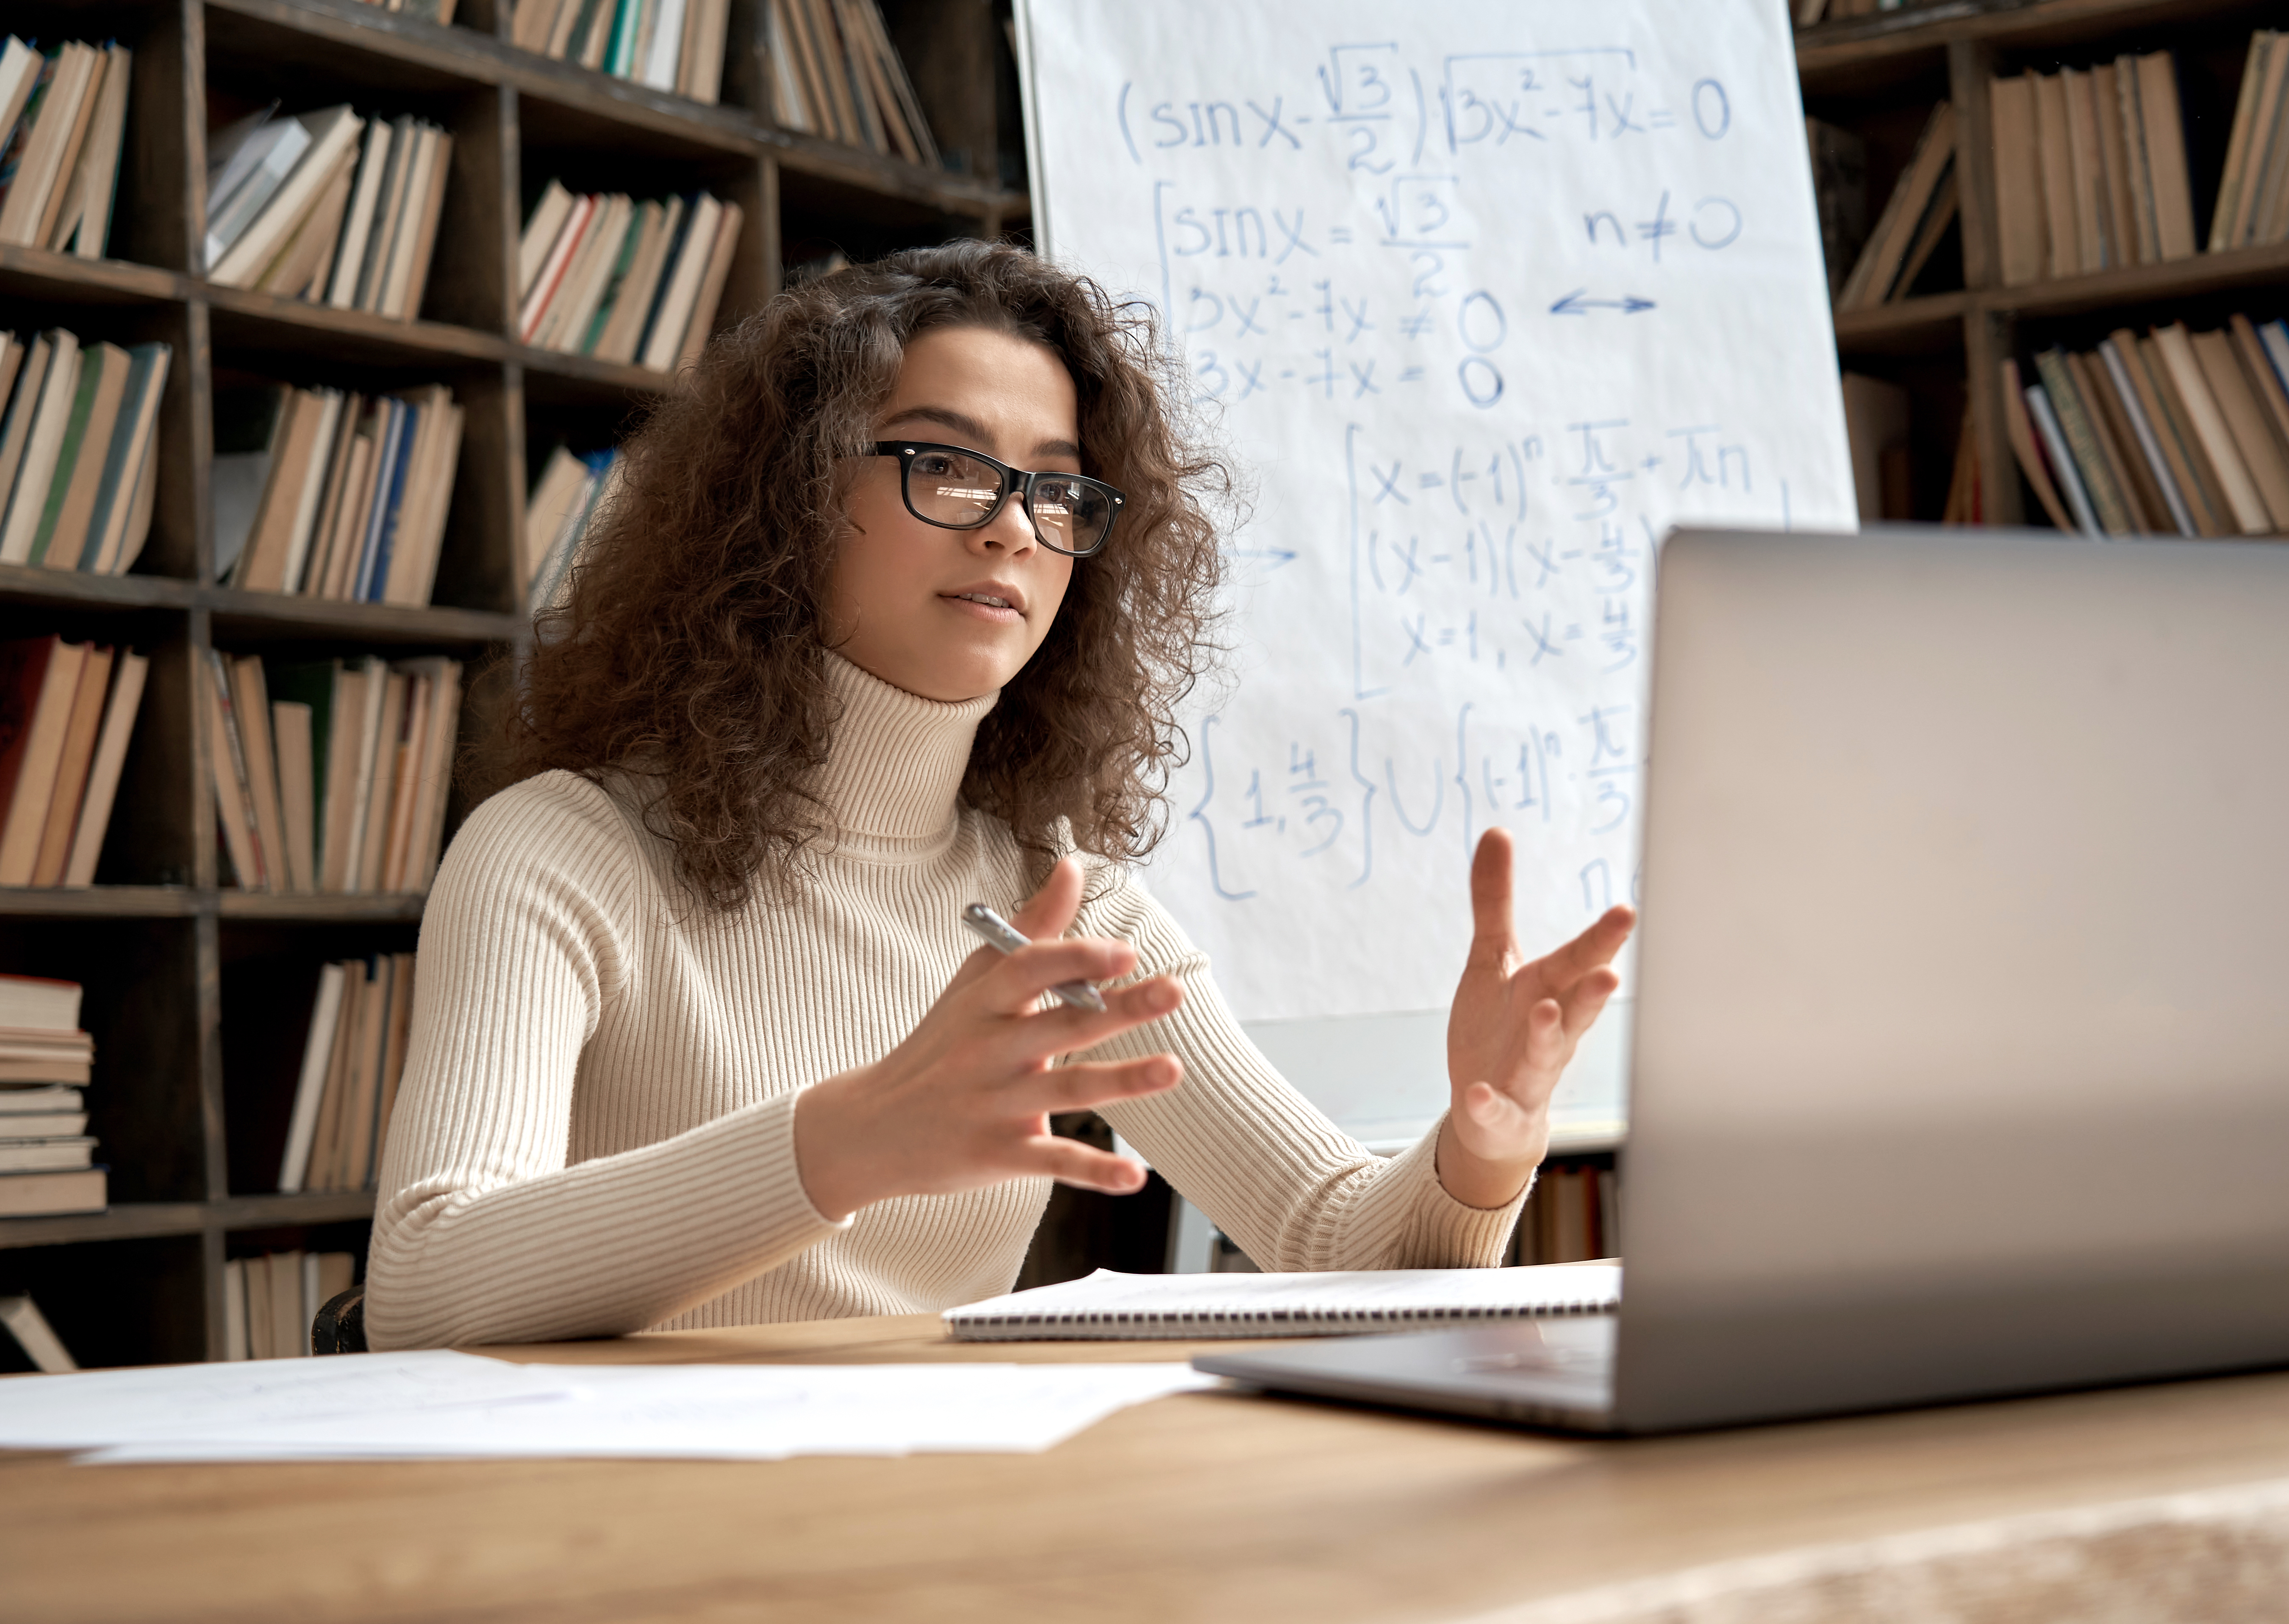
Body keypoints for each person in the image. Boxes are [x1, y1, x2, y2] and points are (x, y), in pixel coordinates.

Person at [366, 242, 1635, 1350]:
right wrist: (843, 1141)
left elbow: (1334, 1242)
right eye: (949, 465)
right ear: (794, 495)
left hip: (941, 1517)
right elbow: (425, 1281)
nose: (1015, 529)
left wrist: (1484, 1141)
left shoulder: (1066, 907)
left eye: (1058, 487)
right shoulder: (558, 852)